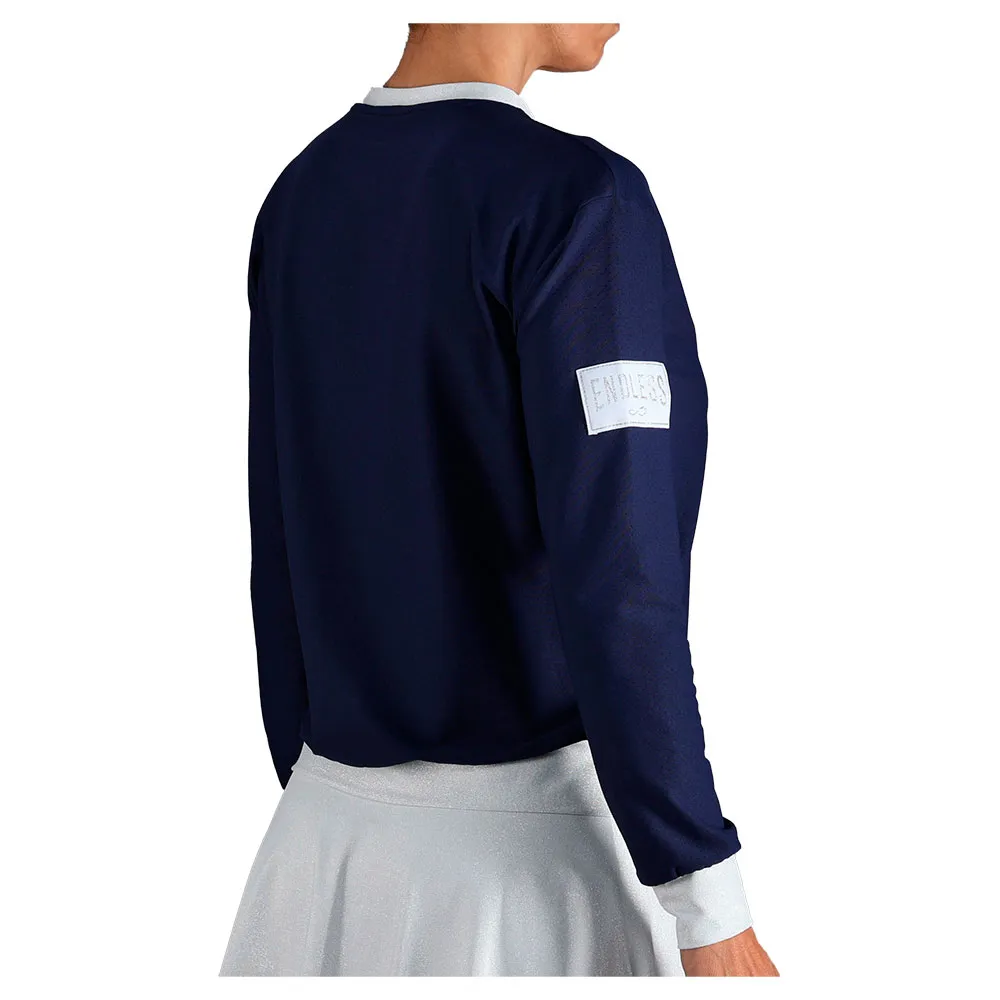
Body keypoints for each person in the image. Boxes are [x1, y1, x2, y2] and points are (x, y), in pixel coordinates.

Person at [219, 22, 778, 977]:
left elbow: (278, 537)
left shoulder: (302, 191)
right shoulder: (576, 199)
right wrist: (707, 899)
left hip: (314, 864)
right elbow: (622, 576)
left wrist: (331, 790)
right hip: (528, 889)